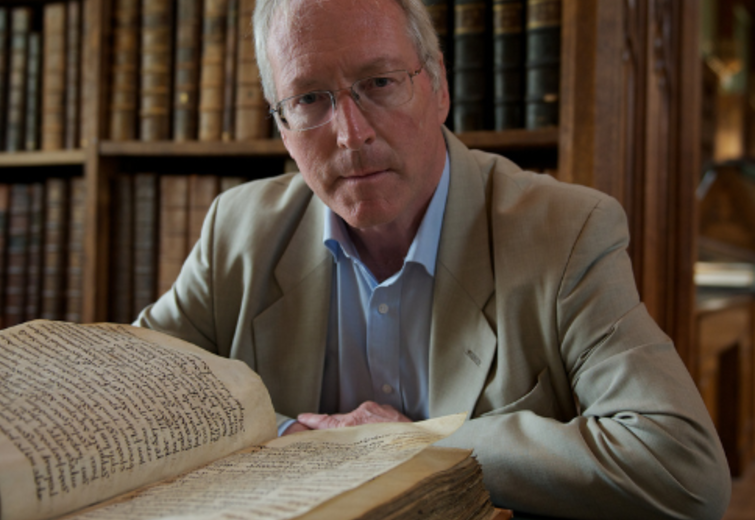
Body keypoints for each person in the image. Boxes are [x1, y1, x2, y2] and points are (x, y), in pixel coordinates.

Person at [135, 0, 731, 518]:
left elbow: (680, 467)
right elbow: (125, 394)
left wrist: (414, 448)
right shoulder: (237, 231)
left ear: (439, 85)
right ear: (282, 128)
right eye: (310, 98)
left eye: (381, 82)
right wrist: (290, 434)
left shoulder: (566, 232)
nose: (350, 134)